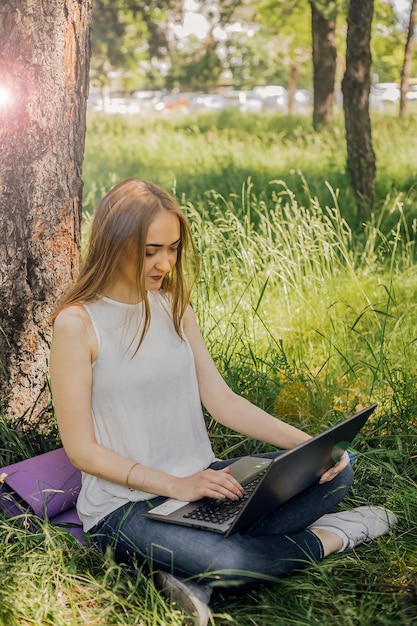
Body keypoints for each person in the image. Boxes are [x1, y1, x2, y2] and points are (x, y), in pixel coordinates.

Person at [49, 178, 397, 626]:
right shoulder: (78, 324)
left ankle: (185, 568)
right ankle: (333, 536)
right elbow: (81, 449)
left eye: (173, 248)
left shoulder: (173, 303)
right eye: (151, 249)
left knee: (339, 467)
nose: (165, 263)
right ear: (115, 243)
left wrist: (315, 445)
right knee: (232, 561)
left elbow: (222, 402)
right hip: (125, 507)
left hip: (206, 482)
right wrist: (177, 487)